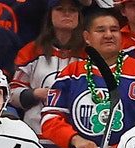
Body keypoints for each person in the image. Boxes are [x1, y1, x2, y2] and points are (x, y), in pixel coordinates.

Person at [40, 8, 135, 148]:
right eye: (101, 30)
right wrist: (76, 140)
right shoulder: (71, 73)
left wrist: (122, 147)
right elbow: (50, 119)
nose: (108, 35)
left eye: (114, 30)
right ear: (87, 37)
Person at [10, 0, 86, 134]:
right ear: (50, 14)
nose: (67, 14)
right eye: (60, 9)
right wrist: (36, 93)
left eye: (73, 10)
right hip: (37, 134)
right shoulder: (31, 51)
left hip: (77, 138)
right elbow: (12, 94)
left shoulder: (90, 55)